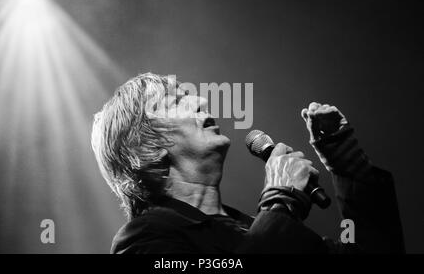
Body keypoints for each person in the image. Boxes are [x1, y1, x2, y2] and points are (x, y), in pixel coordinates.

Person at [91, 73, 404, 253]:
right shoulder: (143, 241)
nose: (200, 101)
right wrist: (282, 199)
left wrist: (348, 165)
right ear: (148, 148)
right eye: (175, 101)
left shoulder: (251, 228)